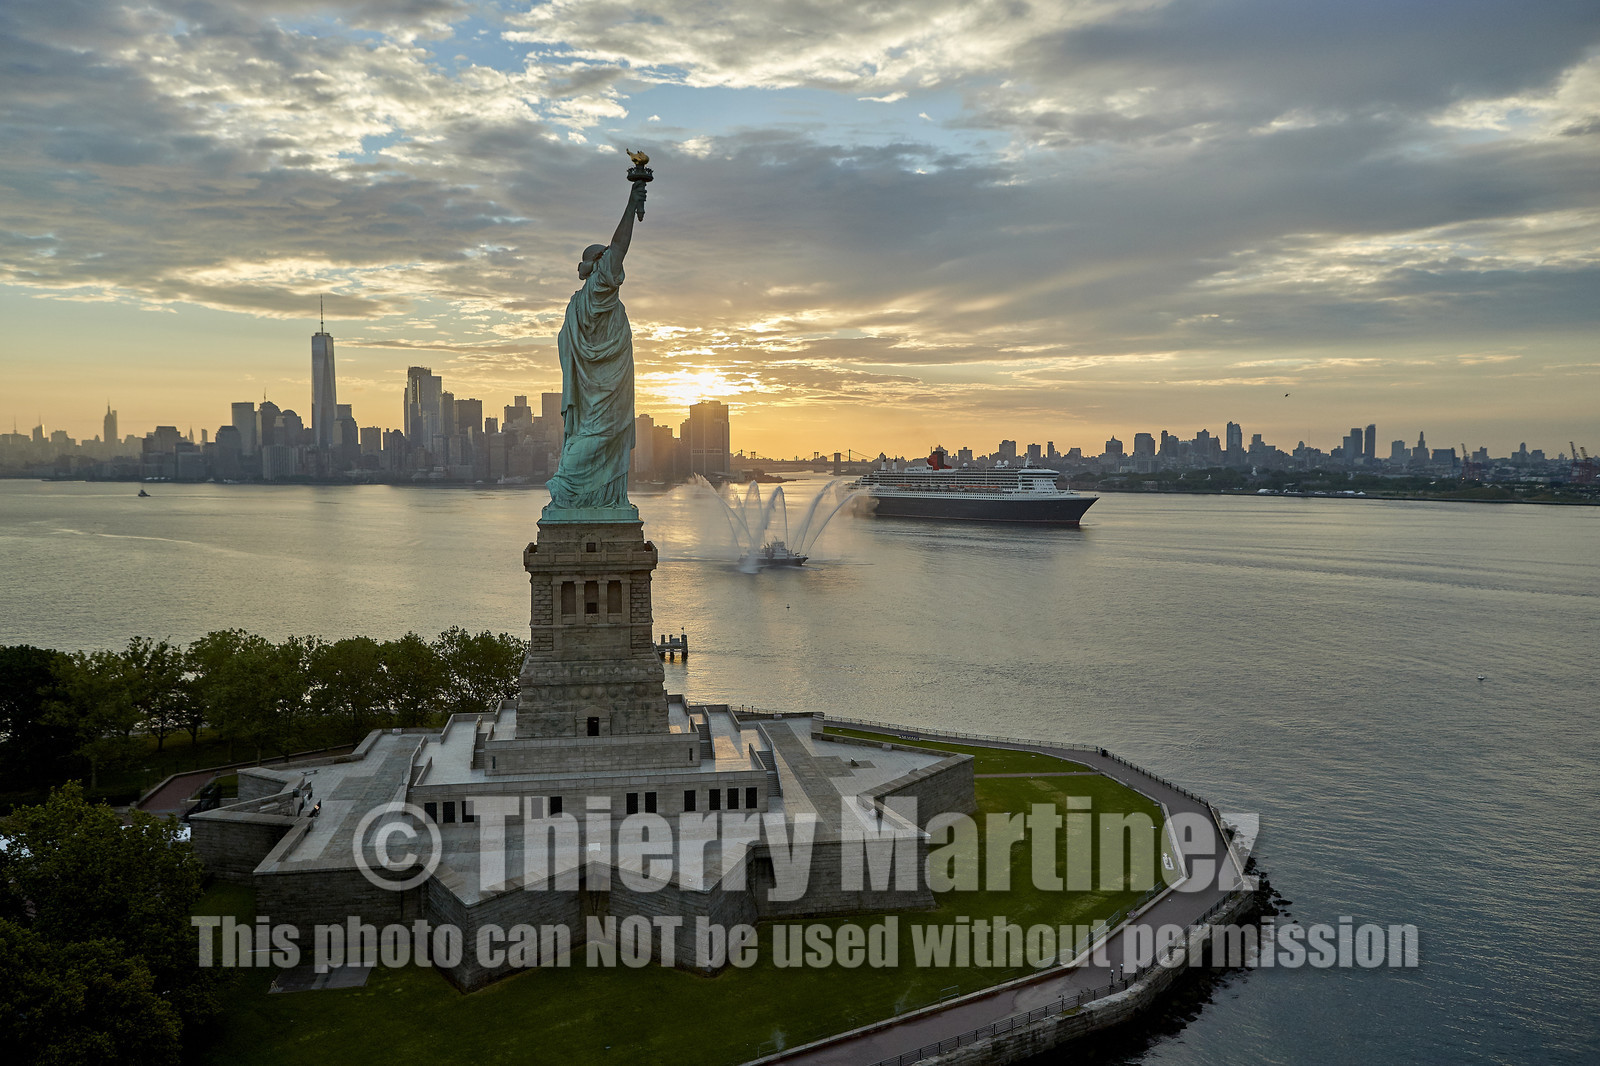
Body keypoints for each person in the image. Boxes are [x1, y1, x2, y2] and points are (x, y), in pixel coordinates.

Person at [545, 180, 650, 511]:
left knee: (603, 436)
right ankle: (570, 486)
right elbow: (619, 245)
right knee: (600, 435)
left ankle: (599, 496)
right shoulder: (594, 290)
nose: (613, 263)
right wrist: (632, 205)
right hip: (601, 383)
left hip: (606, 378)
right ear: (599, 265)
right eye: (606, 259)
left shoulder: (579, 302)